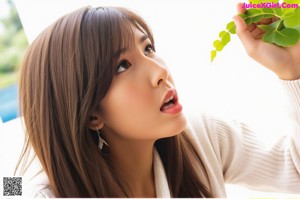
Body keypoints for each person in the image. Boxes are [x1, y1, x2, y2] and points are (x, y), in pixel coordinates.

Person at [16, 3, 300, 198]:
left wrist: (292, 71)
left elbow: (294, 169)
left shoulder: (202, 136)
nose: (160, 71)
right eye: (122, 66)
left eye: (148, 48)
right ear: (92, 115)